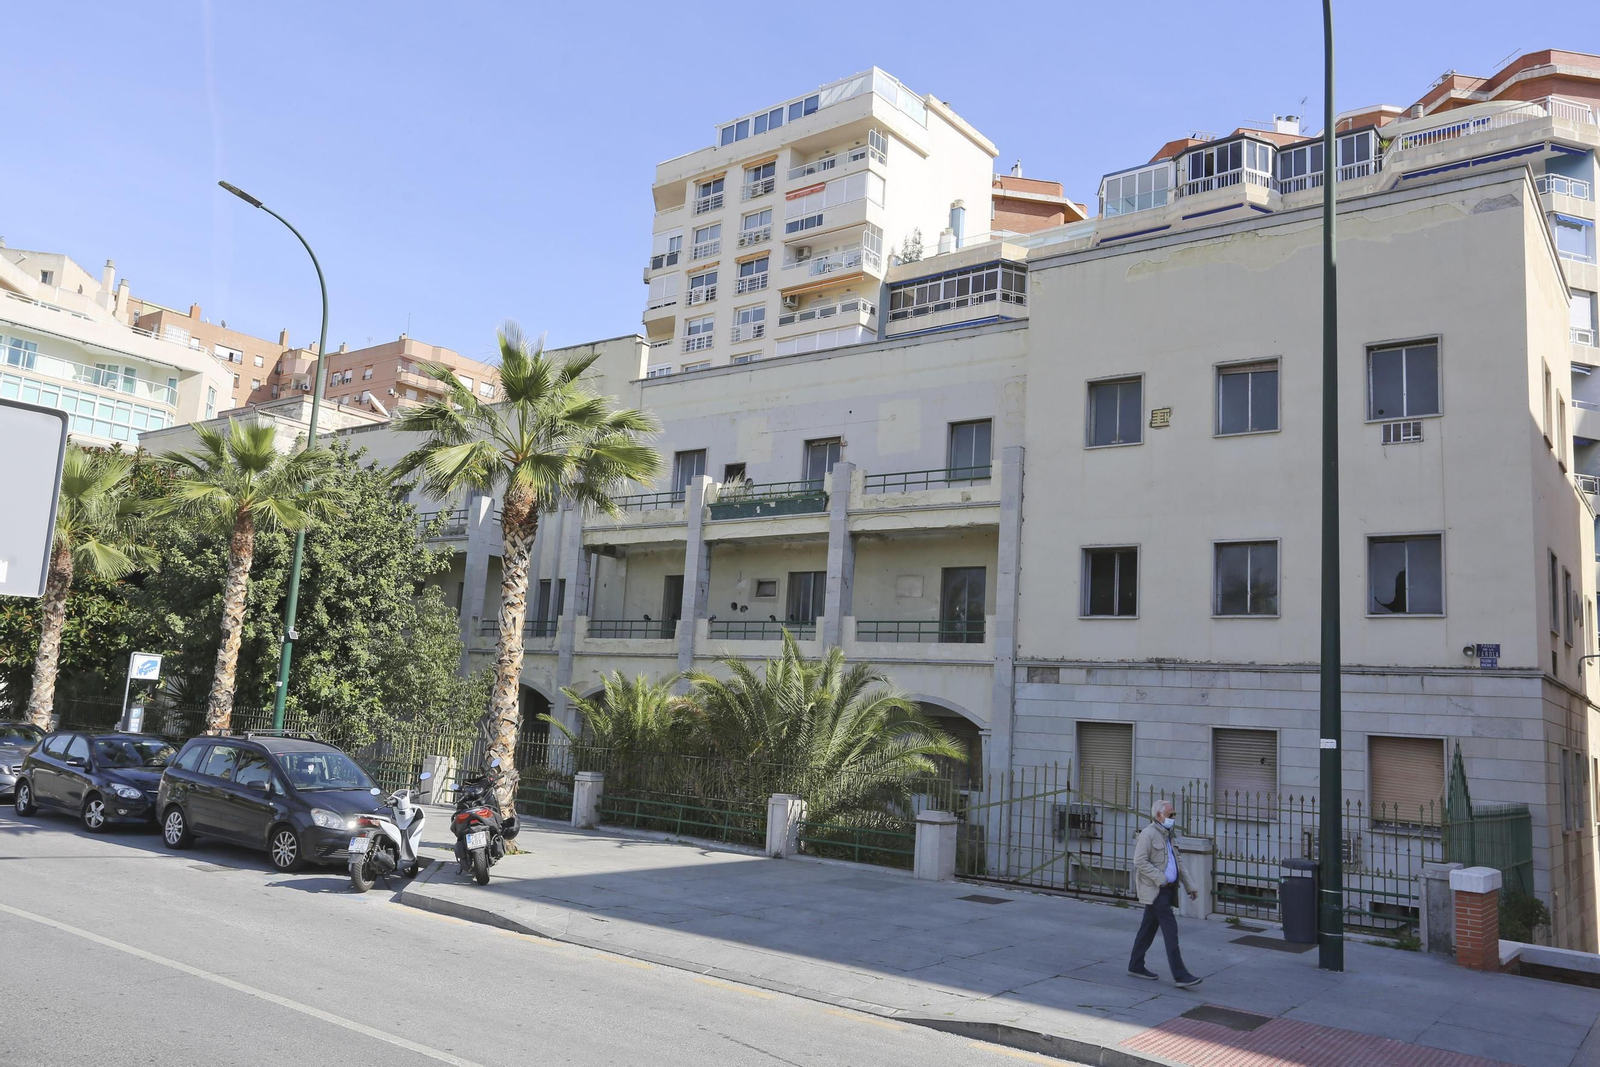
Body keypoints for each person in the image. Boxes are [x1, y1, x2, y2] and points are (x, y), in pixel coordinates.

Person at [1128, 798, 1203, 988]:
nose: (1173, 818)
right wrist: (1160, 878)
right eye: (1170, 815)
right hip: (1157, 889)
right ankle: (1180, 975)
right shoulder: (1149, 834)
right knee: (1171, 930)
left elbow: (1178, 863)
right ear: (1159, 815)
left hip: (1168, 890)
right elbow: (1139, 861)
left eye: (1174, 814)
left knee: (1148, 928)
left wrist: (1190, 885)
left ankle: (1135, 965)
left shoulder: (1168, 835)